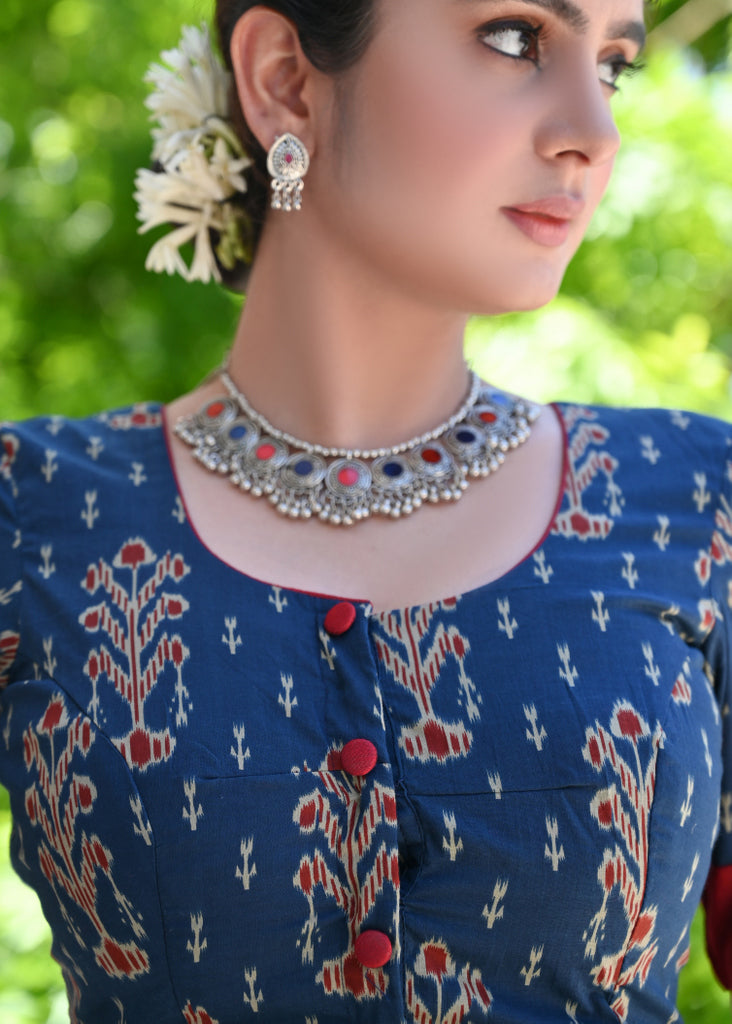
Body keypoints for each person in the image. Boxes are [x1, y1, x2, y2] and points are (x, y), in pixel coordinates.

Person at [1, 0, 730, 1021]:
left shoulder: (699, 505)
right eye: (518, 38)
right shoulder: (32, 516)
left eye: (612, 65)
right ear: (286, 80)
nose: (596, 134)